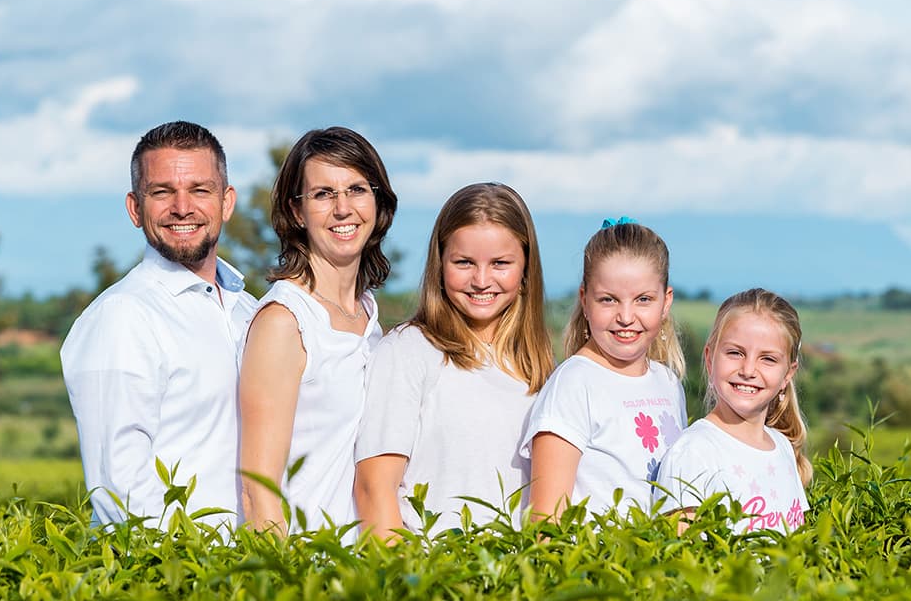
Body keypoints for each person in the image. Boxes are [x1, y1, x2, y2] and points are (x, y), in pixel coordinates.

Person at [61, 120, 257, 530]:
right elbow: (120, 488)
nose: (182, 207)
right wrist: (194, 569)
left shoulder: (250, 311)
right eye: (162, 191)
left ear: (226, 202)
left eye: (200, 190)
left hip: (252, 572)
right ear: (135, 208)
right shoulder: (122, 317)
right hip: (174, 577)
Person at [354, 183, 554, 539]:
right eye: (463, 262)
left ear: (525, 269)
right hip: (433, 577)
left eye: (500, 264)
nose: (481, 280)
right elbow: (374, 491)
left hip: (517, 580)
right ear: (440, 263)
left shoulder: (536, 366)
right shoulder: (407, 351)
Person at [239, 126, 398, 536]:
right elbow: (258, 492)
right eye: (323, 194)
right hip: (306, 574)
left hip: (363, 572)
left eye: (357, 189)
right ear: (297, 212)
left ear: (378, 203)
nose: (343, 208)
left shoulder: (369, 319)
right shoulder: (284, 321)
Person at [521, 218, 688, 521]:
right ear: (585, 300)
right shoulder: (573, 385)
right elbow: (546, 521)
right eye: (608, 300)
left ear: (666, 302)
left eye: (643, 300)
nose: (626, 316)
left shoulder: (668, 383)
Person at [653, 288, 811, 534]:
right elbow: (681, 554)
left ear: (787, 374)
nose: (748, 370)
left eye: (768, 359)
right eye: (735, 353)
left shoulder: (782, 447)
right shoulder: (694, 453)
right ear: (709, 358)